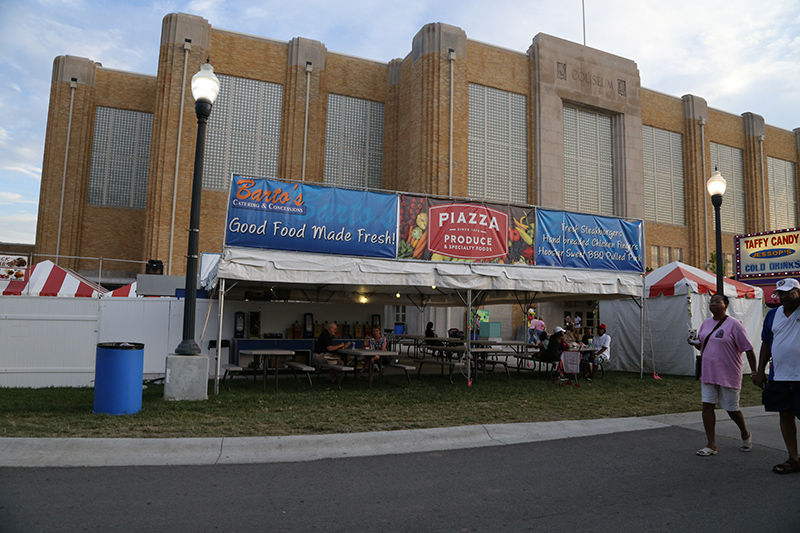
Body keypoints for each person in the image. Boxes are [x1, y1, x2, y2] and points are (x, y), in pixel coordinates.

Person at [688, 293, 757, 457]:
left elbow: (748, 348)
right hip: (708, 372)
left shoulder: (735, 325)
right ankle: (711, 444)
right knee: (707, 406)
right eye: (711, 302)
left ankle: (745, 433)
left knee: (732, 409)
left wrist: (755, 371)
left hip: (728, 372)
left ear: (725, 305)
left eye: (717, 301)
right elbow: (704, 345)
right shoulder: (706, 324)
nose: (713, 304)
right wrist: (694, 342)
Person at [753, 277, 800, 474]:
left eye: (789, 293)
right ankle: (793, 458)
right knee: (785, 416)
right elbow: (766, 343)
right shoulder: (772, 315)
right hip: (779, 376)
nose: (784, 297)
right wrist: (760, 370)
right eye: (780, 293)